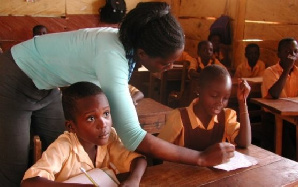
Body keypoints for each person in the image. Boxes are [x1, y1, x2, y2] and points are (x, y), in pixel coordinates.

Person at [0, 2, 234, 186]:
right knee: (15, 168)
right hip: (14, 76)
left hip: (46, 85)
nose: (170, 67)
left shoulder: (126, 45)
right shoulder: (112, 56)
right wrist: (200, 158)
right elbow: (134, 137)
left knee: (67, 153)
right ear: (143, 53)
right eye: (166, 62)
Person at [21, 82, 147, 187]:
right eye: (91, 118)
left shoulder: (110, 138)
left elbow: (138, 160)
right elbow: (29, 182)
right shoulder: (63, 147)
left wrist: (133, 180)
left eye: (106, 114)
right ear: (71, 126)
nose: (103, 124)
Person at [158, 65, 252, 150]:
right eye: (214, 95)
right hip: (182, 169)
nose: (220, 102)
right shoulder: (180, 118)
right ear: (198, 90)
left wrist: (242, 102)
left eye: (225, 98)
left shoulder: (226, 116)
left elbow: (244, 142)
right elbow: (157, 149)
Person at [260, 38, 298, 159]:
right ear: (279, 54)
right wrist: (287, 69)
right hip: (274, 119)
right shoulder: (270, 71)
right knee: (290, 150)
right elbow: (275, 94)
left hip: (294, 117)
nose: (292, 55)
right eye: (288, 51)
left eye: (295, 51)